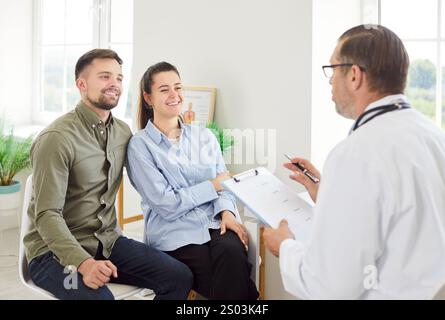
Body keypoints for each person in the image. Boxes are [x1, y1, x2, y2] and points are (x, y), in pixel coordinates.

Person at [263, 25, 445, 299]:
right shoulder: (434, 137)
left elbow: (332, 287)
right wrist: (329, 193)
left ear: (354, 76)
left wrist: (285, 247)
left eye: (332, 69)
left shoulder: (355, 154)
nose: (330, 81)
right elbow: (406, 215)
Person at [24, 49, 193, 300]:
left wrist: (186, 132)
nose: (114, 84)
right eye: (104, 77)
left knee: (179, 276)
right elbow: (47, 215)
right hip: (53, 254)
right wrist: (83, 263)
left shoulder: (122, 133)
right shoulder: (57, 139)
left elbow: (159, 167)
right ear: (81, 84)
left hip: (107, 243)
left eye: (119, 78)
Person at [126, 61, 259, 300]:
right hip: (174, 234)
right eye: (164, 89)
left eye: (178, 87)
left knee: (233, 252)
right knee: (228, 277)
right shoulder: (140, 146)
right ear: (148, 98)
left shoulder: (204, 136)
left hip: (216, 221)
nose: (174, 95)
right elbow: (166, 204)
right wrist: (211, 186)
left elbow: (225, 186)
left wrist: (228, 213)